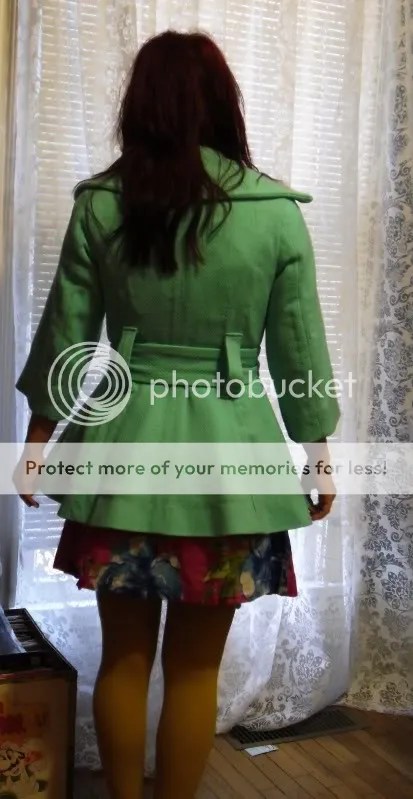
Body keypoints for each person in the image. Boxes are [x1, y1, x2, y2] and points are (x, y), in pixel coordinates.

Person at [15, 30, 339, 799]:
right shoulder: (274, 213)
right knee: (196, 669)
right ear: (223, 104)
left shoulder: (102, 205)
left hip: (118, 453)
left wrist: (37, 440)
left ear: (140, 105)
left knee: (122, 661)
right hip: (232, 465)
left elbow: (66, 335)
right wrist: (318, 454)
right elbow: (297, 348)